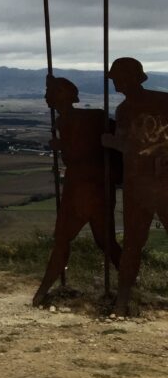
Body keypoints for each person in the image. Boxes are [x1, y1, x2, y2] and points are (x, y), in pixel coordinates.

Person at [32, 76, 121, 306]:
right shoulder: (90, 117)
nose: (45, 97)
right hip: (98, 188)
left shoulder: (71, 121)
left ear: (61, 95)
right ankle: (129, 286)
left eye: (49, 92)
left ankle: (42, 293)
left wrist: (60, 145)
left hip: (82, 188)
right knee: (105, 241)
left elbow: (76, 155)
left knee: (66, 240)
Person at [102, 57, 168, 315]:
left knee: (132, 244)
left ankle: (122, 302)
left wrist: (108, 141)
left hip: (140, 183)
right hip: (156, 180)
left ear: (129, 78)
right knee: (132, 244)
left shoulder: (125, 110)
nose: (115, 83)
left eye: (117, 78)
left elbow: (128, 146)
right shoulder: (163, 100)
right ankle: (122, 300)